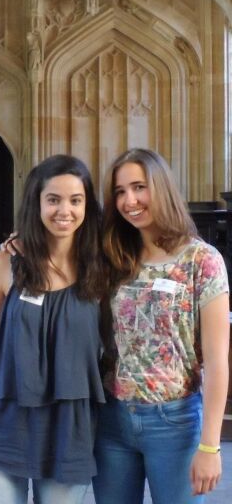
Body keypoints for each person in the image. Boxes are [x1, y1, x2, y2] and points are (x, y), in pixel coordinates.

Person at [0, 155, 107, 503]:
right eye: (53, 199)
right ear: (36, 203)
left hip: (69, 430)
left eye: (75, 200)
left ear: (87, 205)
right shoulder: (5, 264)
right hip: (5, 421)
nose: (64, 210)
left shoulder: (101, 266)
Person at [92, 148, 229, 504]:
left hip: (174, 423)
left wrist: (210, 445)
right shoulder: (113, 255)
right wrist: (18, 245)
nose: (130, 201)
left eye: (139, 187)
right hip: (112, 419)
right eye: (120, 192)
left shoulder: (202, 260)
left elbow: (217, 361)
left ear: (161, 187)